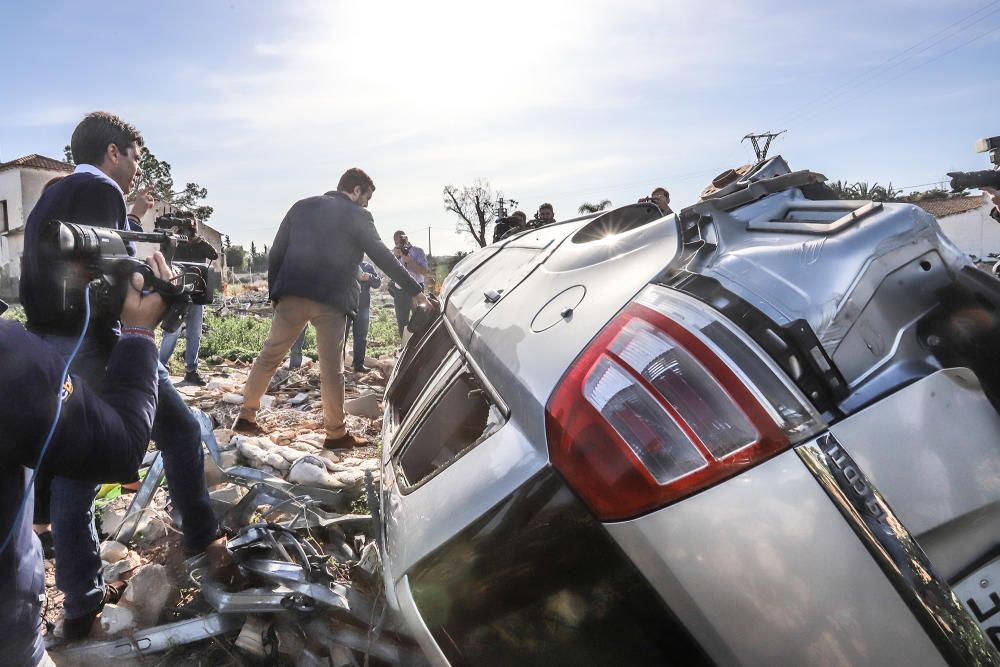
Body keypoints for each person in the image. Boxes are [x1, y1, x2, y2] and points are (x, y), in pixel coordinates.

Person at [19, 111, 228, 640]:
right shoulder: (100, 187)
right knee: (177, 433)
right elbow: (120, 277)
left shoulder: (52, 194)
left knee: (73, 470)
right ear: (113, 153)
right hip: (95, 341)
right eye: (134, 157)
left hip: (50, 341)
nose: (136, 168)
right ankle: (205, 542)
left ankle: (82, 608)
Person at [0, 254, 170, 667]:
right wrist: (139, 333)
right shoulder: (10, 358)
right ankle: (82, 604)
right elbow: (122, 450)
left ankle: (81, 601)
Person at [233, 168, 428, 449]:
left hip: (292, 293)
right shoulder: (358, 215)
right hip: (332, 300)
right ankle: (336, 434)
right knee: (331, 369)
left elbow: (277, 251)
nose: (367, 204)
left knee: (269, 356)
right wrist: (415, 290)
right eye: (367, 197)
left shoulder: (301, 207)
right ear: (356, 190)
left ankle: (246, 416)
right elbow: (382, 256)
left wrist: (275, 292)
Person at [158, 216, 220, 385]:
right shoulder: (176, 242)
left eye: (191, 227)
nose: (188, 231)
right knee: (172, 331)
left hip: (198, 293)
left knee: (194, 334)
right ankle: (158, 367)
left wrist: (199, 240)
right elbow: (163, 255)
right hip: (178, 293)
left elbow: (214, 255)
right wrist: (174, 237)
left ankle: (191, 370)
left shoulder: (200, 244)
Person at [290, 261, 381, 371]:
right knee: (342, 337)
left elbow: (377, 283)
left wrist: (369, 277)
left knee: (361, 337)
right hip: (346, 307)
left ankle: (358, 366)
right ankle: (339, 367)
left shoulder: (367, 266)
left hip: (363, 308)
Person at [390, 230, 430, 336]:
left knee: (419, 321)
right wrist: (395, 257)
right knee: (402, 323)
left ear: (406, 239)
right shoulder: (393, 254)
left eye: (401, 241)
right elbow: (389, 272)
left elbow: (425, 272)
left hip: (416, 290)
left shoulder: (418, 251)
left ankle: (420, 347)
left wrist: (409, 261)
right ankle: (404, 348)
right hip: (400, 290)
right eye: (396, 242)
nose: (399, 244)